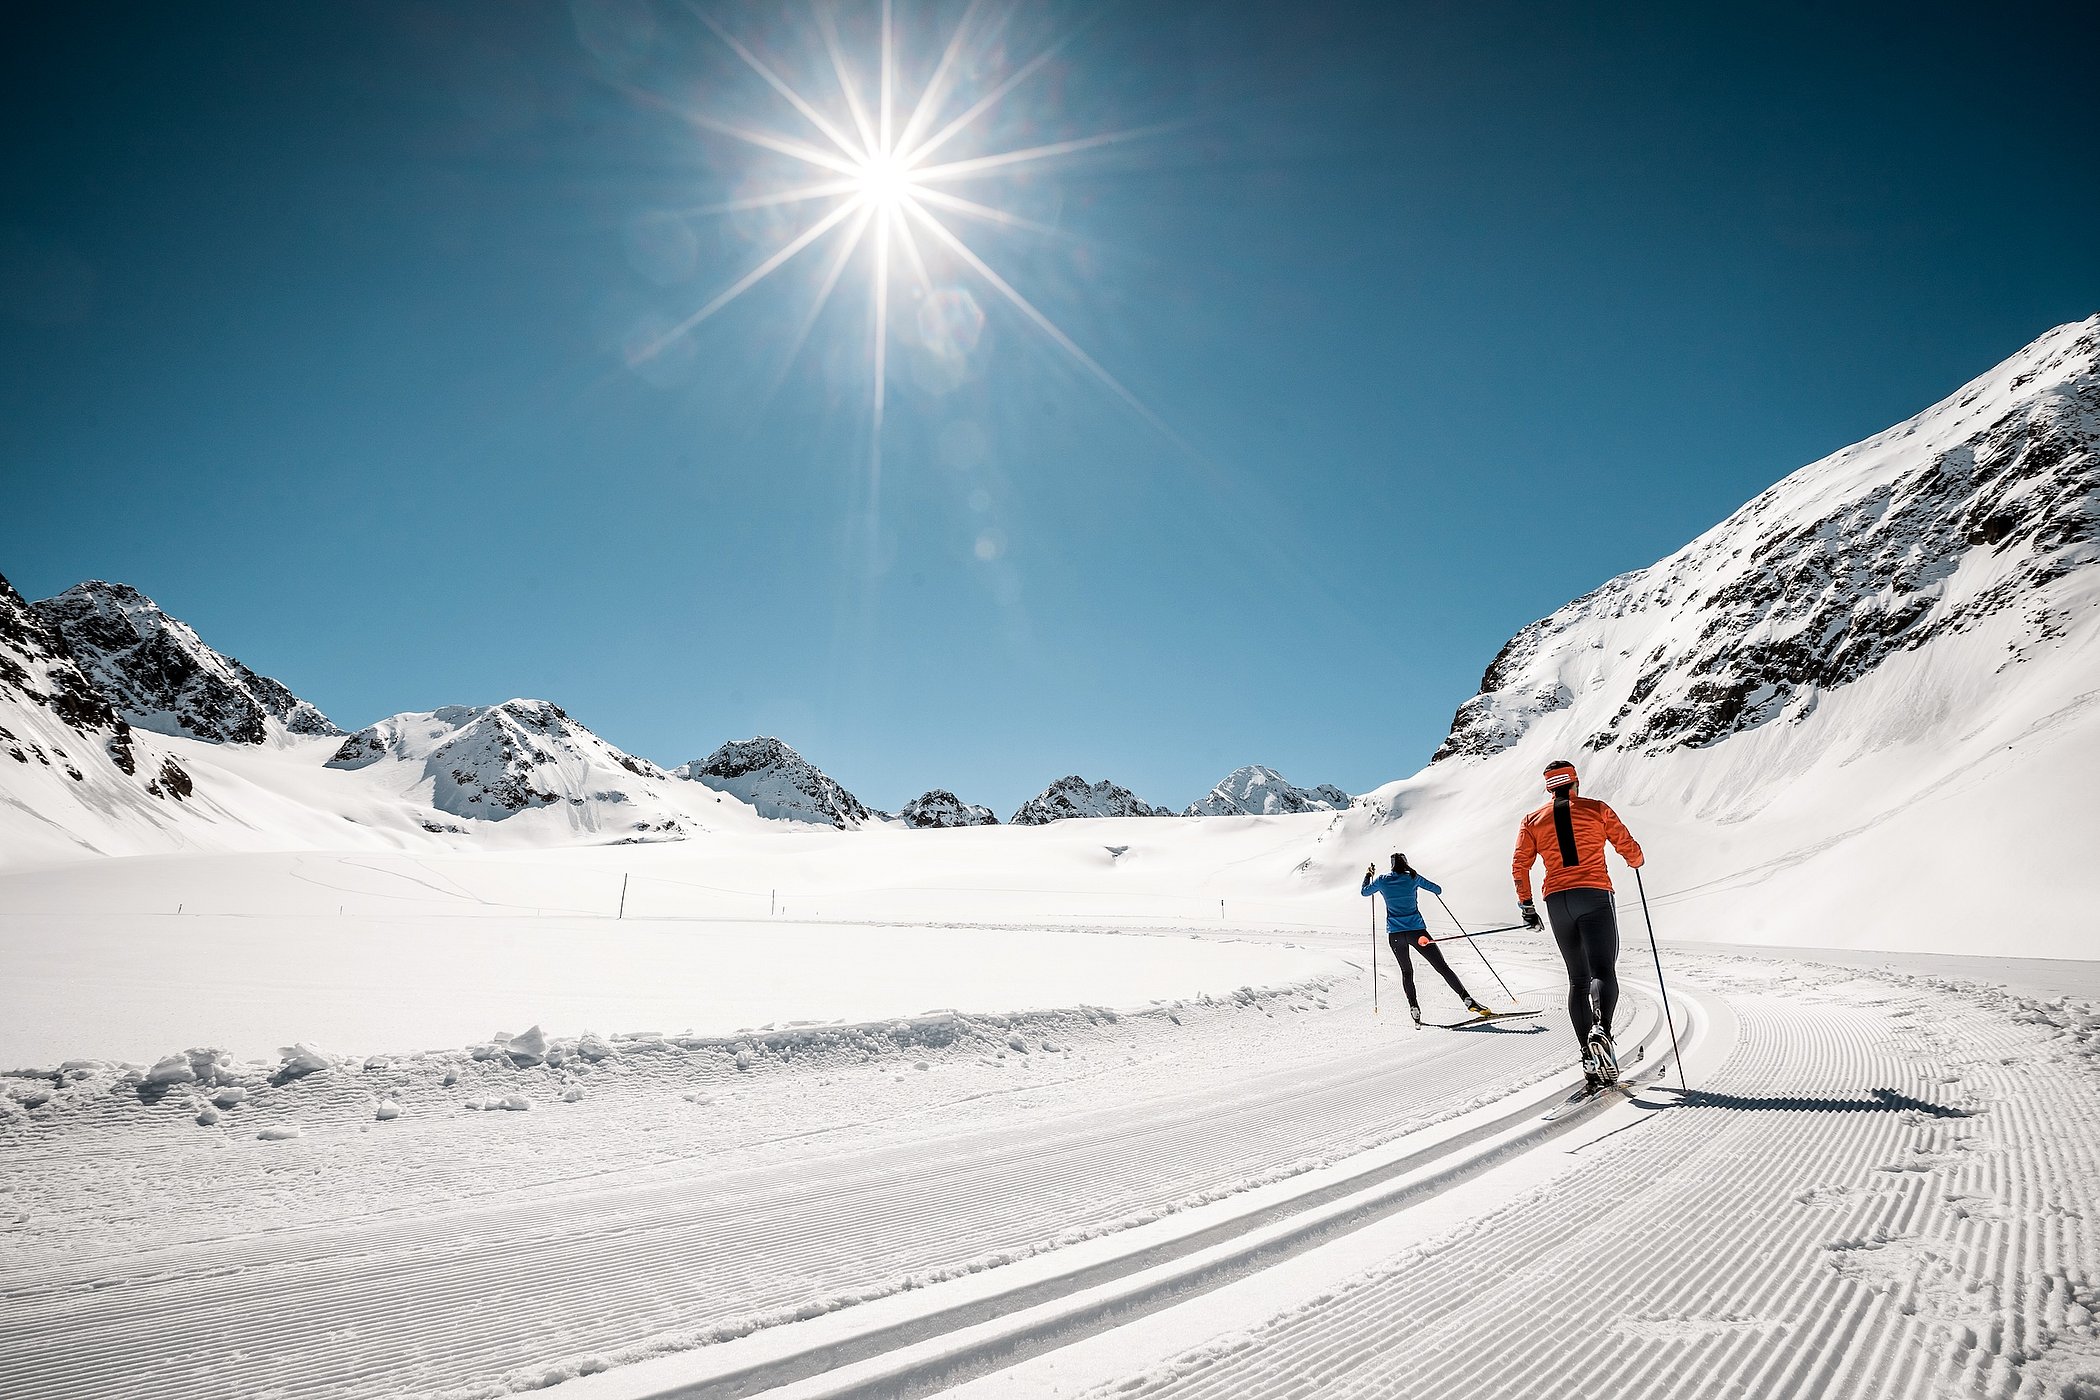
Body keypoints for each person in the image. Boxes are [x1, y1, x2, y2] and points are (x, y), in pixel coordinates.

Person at [1512, 759, 1644, 1088]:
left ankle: (1588, 1055)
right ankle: (1602, 1029)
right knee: (1602, 971)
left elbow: (1519, 865)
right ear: (1575, 783)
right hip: (1594, 894)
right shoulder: (1596, 809)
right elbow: (1627, 846)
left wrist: (1526, 904)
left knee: (1578, 980)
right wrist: (1635, 859)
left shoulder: (1532, 820)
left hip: (1557, 901)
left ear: (1548, 787)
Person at [1362, 853, 1490, 1026]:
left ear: (1391, 865)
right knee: (1442, 967)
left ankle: (1414, 1007)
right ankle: (1467, 999)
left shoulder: (1382, 880)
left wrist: (1369, 875)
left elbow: (1364, 892)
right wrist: (1416, 881)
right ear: (1405, 863)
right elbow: (1437, 889)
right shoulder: (1412, 877)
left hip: (1395, 935)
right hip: (1417, 932)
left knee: (1407, 972)